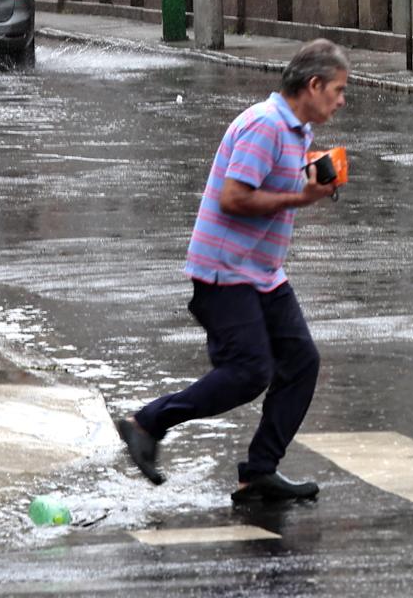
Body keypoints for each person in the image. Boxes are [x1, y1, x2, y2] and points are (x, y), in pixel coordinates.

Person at [114, 39, 349, 504]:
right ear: (313, 84)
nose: (341, 101)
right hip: (225, 271)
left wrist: (313, 177)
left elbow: (272, 176)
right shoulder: (265, 126)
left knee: (301, 362)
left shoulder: (294, 130)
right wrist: (299, 199)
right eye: (338, 90)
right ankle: (146, 423)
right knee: (248, 371)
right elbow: (233, 197)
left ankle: (259, 472)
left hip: (262, 271)